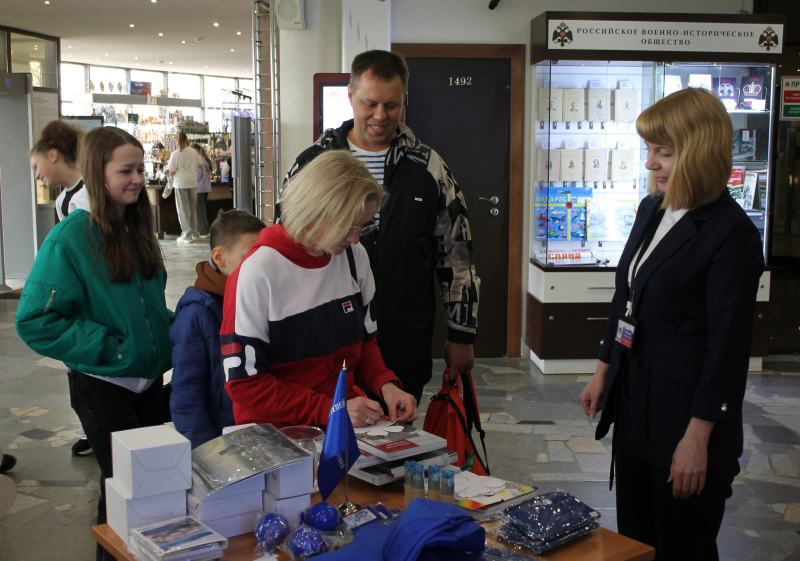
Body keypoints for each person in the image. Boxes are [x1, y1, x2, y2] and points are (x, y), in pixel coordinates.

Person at [579, 88, 764, 560]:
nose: (650, 164)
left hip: (686, 420)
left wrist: (697, 438)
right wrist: (604, 368)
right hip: (638, 405)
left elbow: (727, 349)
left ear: (699, 151)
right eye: (649, 150)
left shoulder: (732, 234)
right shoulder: (653, 209)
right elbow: (627, 296)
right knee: (636, 543)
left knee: (683, 545)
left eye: (664, 152)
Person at [281, 50, 480, 404]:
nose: (380, 115)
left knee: (399, 447)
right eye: (369, 103)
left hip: (403, 339)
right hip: (323, 342)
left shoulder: (429, 168)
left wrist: (461, 334)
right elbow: (284, 246)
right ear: (350, 95)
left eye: (392, 105)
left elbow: (457, 255)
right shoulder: (313, 163)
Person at [16, 127, 173, 561]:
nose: (138, 179)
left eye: (141, 169)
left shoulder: (137, 229)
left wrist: (171, 332)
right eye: (126, 170)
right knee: (124, 492)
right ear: (97, 174)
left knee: (144, 489)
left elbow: (147, 308)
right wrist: (114, 348)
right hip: (104, 388)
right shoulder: (71, 238)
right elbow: (35, 321)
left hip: (147, 384)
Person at [222, 150, 419, 430]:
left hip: (342, 423)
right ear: (315, 210)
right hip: (277, 434)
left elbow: (365, 344)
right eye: (348, 227)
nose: (354, 239)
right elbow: (244, 385)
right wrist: (330, 409)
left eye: (362, 227)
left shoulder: (354, 257)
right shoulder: (257, 272)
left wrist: (386, 385)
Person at [170, 210, 264, 449]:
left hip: (260, 436)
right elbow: (187, 398)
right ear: (220, 257)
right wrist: (209, 455)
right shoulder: (196, 315)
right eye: (248, 257)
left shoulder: (260, 300)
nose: (260, 266)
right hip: (222, 443)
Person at [29, 119, 93, 457]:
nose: (38, 175)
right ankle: (90, 427)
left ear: (53, 154)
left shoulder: (87, 195)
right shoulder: (64, 200)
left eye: (37, 165)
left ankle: (98, 429)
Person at [167, 131, 202, 243]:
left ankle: (186, 235)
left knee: (183, 209)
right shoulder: (193, 152)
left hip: (181, 183)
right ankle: (195, 233)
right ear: (187, 138)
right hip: (193, 182)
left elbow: (171, 172)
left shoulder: (176, 154)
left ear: (177, 140)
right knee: (193, 209)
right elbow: (200, 165)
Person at [193, 143, 213, 239]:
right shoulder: (206, 160)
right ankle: (204, 229)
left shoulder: (199, 161)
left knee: (199, 209)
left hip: (199, 187)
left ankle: (202, 231)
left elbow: (197, 175)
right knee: (202, 209)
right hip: (206, 187)